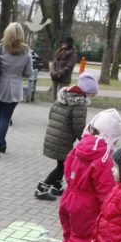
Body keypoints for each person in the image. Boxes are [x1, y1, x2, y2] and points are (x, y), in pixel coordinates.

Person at [58, 108, 121, 242]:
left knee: (69, 229)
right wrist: (110, 207)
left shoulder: (80, 146)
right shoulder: (103, 157)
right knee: (82, 234)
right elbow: (106, 187)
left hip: (69, 196)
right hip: (86, 203)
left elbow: (67, 166)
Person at [35, 73, 99, 201]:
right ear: (87, 91)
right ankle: (41, 189)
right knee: (63, 166)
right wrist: (86, 141)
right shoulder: (79, 104)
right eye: (92, 94)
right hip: (62, 139)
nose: (93, 97)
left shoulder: (63, 96)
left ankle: (57, 187)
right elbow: (78, 127)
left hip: (53, 135)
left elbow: (51, 114)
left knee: (62, 162)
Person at [0, 22, 34, 158]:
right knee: (6, 117)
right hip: (14, 87)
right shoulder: (26, 53)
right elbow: (28, 73)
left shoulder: (0, 48)